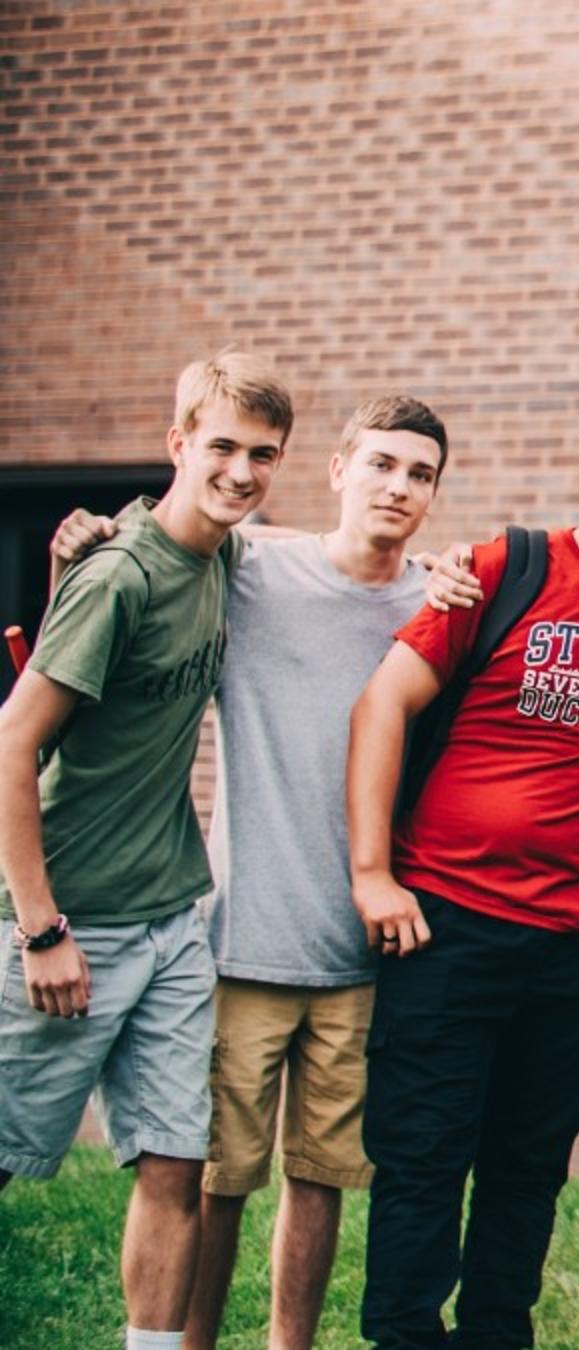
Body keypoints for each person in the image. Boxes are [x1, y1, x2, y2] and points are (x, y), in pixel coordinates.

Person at [45, 395, 448, 1350]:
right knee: (213, 1181)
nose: (398, 486)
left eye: (421, 473)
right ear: (338, 468)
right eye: (381, 464)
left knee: (320, 1181)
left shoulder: (435, 601)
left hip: (358, 956)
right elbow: (161, 554)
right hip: (235, 943)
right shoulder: (254, 568)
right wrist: (88, 543)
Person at [346, 366, 579, 1349]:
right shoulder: (508, 568)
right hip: (448, 923)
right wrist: (373, 874)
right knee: (423, 1156)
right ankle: (405, 1336)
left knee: (527, 1166)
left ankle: (499, 1331)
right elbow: (385, 703)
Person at [0, 352, 293, 1350]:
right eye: (221, 446)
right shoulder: (119, 575)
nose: (242, 471)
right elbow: (13, 739)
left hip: (172, 918)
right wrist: (42, 928)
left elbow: (309, 552)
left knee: (175, 1165)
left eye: (263, 454)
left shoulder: (223, 559)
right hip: (70, 920)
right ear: (178, 444)